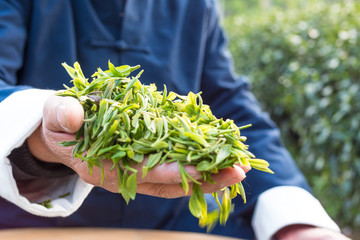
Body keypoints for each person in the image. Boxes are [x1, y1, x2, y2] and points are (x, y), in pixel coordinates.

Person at [0, 0, 350, 239]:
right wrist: (42, 134)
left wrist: (297, 222)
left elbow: (229, 102)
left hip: (173, 215)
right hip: (35, 217)